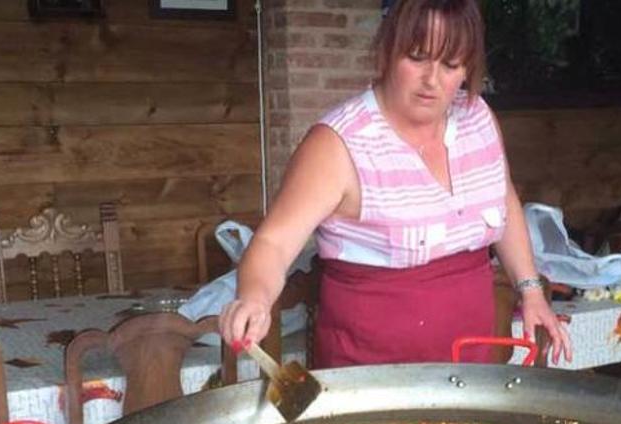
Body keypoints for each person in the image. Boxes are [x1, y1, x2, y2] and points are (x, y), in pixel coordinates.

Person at [220, 0, 572, 367]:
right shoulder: (339, 143)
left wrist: (530, 290)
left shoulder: (477, 118)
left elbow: (502, 198)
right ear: (388, 49)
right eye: (418, 57)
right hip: (370, 373)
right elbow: (274, 243)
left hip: (468, 360)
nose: (432, 80)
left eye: (451, 64)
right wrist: (255, 298)